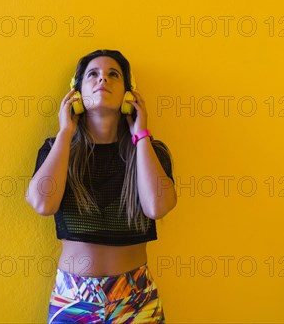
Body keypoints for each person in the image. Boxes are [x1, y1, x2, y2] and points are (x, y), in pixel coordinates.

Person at [26, 49, 177, 323]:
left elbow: (157, 207)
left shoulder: (149, 152)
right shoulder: (57, 149)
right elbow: (42, 204)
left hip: (136, 296)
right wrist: (65, 134)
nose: (102, 80)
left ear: (128, 94)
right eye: (92, 74)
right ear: (77, 92)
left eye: (113, 75)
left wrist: (141, 135)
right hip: (73, 297)